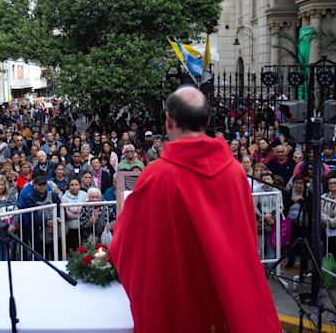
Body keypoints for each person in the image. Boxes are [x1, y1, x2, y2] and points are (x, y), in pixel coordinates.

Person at [110, 85, 281, 333]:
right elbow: (246, 237)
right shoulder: (234, 172)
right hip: (225, 297)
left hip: (178, 301)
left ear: (169, 122)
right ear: (208, 120)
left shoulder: (156, 176)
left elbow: (125, 242)